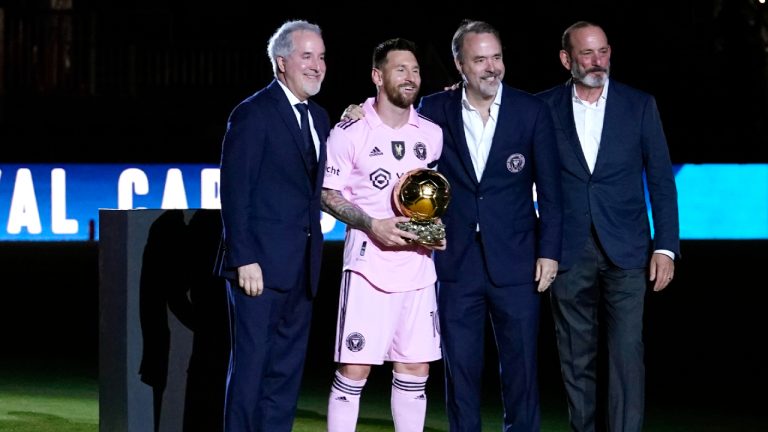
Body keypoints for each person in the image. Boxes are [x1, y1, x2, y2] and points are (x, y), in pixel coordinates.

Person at [341, 19, 562, 431]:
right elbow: (389, 119)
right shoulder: (433, 109)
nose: (491, 67)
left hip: (517, 261)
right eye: (480, 60)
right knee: (460, 370)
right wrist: (358, 110)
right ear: (460, 64)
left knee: (522, 370)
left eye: (497, 57)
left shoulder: (531, 111)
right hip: (454, 262)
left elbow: (551, 190)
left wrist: (549, 252)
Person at [536, 21, 680, 432]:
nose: (597, 61)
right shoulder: (542, 107)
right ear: (566, 59)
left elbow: (661, 180)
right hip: (567, 249)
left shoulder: (639, 105)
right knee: (574, 354)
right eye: (586, 53)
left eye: (603, 52)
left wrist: (665, 247)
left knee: (626, 352)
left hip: (628, 248)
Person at [321, 38, 444, 432]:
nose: (410, 77)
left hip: (418, 270)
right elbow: (327, 194)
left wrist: (433, 230)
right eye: (400, 69)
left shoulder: (432, 133)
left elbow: (429, 200)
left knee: (416, 367)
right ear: (377, 75)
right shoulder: (349, 131)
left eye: (415, 70)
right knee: (354, 368)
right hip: (367, 268)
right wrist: (372, 225)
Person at [213, 19, 330, 432]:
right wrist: (244, 258)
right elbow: (235, 191)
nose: (317, 65)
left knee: (285, 375)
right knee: (250, 372)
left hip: (302, 269)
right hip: (258, 270)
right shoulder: (253, 113)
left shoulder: (320, 117)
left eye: (321, 57)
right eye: (307, 56)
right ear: (282, 62)